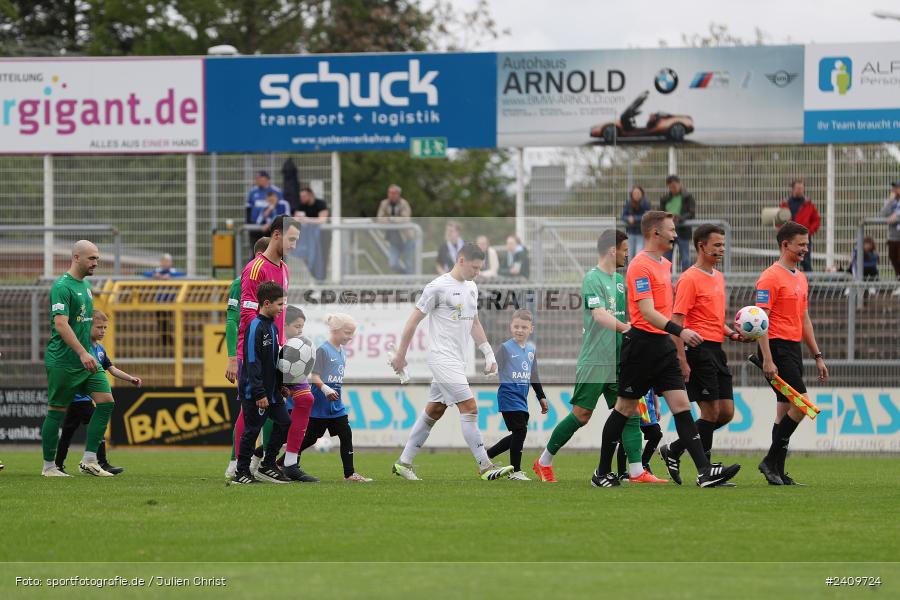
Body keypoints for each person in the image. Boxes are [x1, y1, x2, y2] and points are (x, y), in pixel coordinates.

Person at [589, 211, 740, 488]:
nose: (675, 234)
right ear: (655, 233)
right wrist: (680, 331)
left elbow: (664, 310)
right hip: (642, 346)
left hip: (663, 347)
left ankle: (704, 472)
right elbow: (646, 312)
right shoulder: (639, 266)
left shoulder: (664, 264)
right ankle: (601, 473)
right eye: (671, 230)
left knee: (683, 408)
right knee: (624, 408)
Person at [534, 230, 664, 484]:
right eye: (625, 250)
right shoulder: (592, 279)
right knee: (581, 415)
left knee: (629, 411)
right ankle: (543, 461)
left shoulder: (619, 281)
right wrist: (626, 328)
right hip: (595, 359)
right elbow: (600, 315)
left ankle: (636, 471)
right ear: (612, 250)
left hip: (618, 360)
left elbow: (626, 316)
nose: (628, 254)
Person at [389, 243, 513, 481]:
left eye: (480, 268)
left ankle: (403, 463)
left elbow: (474, 322)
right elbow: (413, 321)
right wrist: (401, 355)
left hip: (457, 361)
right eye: (474, 268)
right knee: (470, 408)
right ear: (461, 260)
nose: (477, 273)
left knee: (434, 410)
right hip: (441, 359)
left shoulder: (472, 287)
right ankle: (485, 466)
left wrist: (487, 353)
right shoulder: (437, 287)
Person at [658, 224, 751, 484]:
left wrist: (730, 333)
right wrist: (681, 358)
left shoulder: (718, 277)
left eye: (723, 245)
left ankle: (674, 449)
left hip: (716, 349)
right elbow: (678, 319)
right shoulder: (689, 278)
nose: (722, 249)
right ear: (701, 246)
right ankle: (706, 472)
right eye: (717, 245)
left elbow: (712, 319)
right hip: (697, 350)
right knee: (710, 413)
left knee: (727, 412)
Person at [755, 221, 829, 486]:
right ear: (785, 245)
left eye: (807, 245)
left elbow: (804, 319)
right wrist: (767, 358)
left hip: (793, 349)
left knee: (783, 412)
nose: (805, 249)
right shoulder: (770, 277)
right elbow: (761, 320)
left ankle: (777, 471)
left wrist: (817, 355)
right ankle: (769, 461)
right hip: (775, 347)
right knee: (802, 405)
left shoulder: (800, 277)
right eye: (801, 245)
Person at [40, 240, 118, 477]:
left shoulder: (85, 287)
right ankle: (49, 467)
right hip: (64, 360)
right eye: (92, 258)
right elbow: (61, 325)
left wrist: (89, 352)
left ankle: (90, 460)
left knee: (106, 402)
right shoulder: (62, 287)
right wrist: (83, 352)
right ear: (76, 257)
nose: (96, 262)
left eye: (97, 258)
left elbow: (85, 325)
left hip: (86, 361)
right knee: (56, 411)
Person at [230, 216, 299, 474]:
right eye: (291, 239)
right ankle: (237, 467)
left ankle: (265, 464)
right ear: (277, 235)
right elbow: (248, 315)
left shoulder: (284, 269)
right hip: (254, 352)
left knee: (276, 414)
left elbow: (278, 313)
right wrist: (261, 343)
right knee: (251, 414)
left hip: (274, 350)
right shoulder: (256, 268)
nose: (294, 245)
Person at [55, 310, 141, 475]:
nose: (102, 331)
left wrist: (130, 378)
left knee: (68, 432)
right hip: (77, 398)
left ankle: (58, 464)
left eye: (105, 328)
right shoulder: (81, 347)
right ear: (87, 326)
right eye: (99, 327)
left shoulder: (100, 350)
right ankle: (99, 462)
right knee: (97, 425)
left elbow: (112, 369)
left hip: (84, 399)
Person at [298, 313, 372, 482]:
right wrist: (325, 389)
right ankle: (284, 462)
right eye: (347, 333)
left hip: (336, 406)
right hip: (321, 405)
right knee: (311, 437)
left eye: (352, 333)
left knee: (346, 434)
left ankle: (350, 474)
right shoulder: (323, 350)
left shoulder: (341, 351)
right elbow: (314, 376)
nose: (350, 337)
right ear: (335, 330)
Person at [232, 281, 291, 484]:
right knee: (252, 431)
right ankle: (241, 472)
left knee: (285, 422)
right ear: (266, 303)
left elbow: (273, 361)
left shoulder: (273, 327)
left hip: (272, 392)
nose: (282, 308)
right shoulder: (255, 326)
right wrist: (259, 393)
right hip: (255, 393)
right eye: (280, 304)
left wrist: (281, 385)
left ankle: (267, 464)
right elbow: (251, 362)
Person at [223, 236, 270, 480]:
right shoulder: (241, 282)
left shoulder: (274, 282)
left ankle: (265, 462)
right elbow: (232, 320)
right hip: (248, 353)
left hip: (269, 352)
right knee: (249, 408)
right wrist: (233, 357)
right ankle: (235, 462)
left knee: (274, 407)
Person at [485, 309, 548, 480]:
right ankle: (516, 472)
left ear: (531, 329)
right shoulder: (505, 348)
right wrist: (490, 368)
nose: (520, 330)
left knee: (518, 434)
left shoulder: (530, 350)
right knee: (520, 431)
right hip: (508, 396)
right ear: (510, 327)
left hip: (522, 399)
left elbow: (533, 375)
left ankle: (487, 456)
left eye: (524, 327)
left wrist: (541, 396)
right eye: (516, 327)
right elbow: (494, 365)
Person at [276, 306, 319, 483]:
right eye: (297, 326)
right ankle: (241, 462)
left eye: (302, 327)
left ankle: (291, 463)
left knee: (306, 399)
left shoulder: (299, 346)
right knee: (262, 417)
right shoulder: (274, 339)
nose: (300, 330)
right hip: (273, 375)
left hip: (292, 375)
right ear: (284, 325)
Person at [615, 389, 664, 479]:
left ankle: (644, 464)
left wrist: (657, 407)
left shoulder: (651, 375)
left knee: (656, 433)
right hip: (630, 407)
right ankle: (621, 472)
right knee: (625, 439)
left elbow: (654, 390)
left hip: (647, 410)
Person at [780, 179, 821, 272]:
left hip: (804, 238)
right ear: (793, 189)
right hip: (789, 238)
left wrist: (809, 231)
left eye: (802, 188)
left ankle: (808, 284)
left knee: (806, 262)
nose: (800, 190)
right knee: (788, 262)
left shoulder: (808, 204)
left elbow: (816, 220)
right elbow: (779, 220)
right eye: (798, 188)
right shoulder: (785, 204)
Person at [659, 175, 696, 274]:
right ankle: (666, 279)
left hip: (683, 232)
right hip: (668, 232)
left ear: (679, 184)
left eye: (675, 186)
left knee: (685, 259)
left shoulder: (687, 197)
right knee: (666, 258)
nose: (673, 189)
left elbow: (691, 213)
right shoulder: (665, 198)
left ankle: (686, 280)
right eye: (671, 187)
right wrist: (668, 217)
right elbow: (661, 212)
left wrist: (680, 218)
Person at [376, 184, 415, 274]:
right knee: (392, 263)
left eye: (394, 193)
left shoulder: (404, 204)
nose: (391, 195)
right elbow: (380, 219)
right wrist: (395, 220)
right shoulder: (384, 203)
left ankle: (410, 286)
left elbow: (405, 219)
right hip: (393, 240)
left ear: (398, 194)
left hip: (407, 238)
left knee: (409, 264)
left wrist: (390, 219)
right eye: (389, 193)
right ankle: (405, 275)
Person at [294, 187, 329, 281]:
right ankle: (315, 279)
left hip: (322, 236)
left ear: (311, 195)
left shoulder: (320, 204)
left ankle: (321, 280)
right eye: (301, 196)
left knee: (321, 258)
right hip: (307, 237)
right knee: (306, 256)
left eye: (304, 196)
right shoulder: (301, 205)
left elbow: (323, 220)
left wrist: (307, 220)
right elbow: (296, 219)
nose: (302, 198)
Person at [622, 186, 651, 258]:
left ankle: (638, 269)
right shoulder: (628, 203)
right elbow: (623, 216)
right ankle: (631, 269)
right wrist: (628, 218)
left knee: (639, 254)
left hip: (641, 233)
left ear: (642, 194)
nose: (636, 195)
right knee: (630, 255)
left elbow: (647, 216)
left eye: (638, 193)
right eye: (635, 193)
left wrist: (634, 219)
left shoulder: (646, 204)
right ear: (632, 194)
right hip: (630, 233)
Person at [881, 180, 900, 289]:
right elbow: (883, 214)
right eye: (894, 188)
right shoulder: (891, 202)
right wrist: (890, 201)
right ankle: (898, 283)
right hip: (893, 237)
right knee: (894, 259)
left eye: (897, 188)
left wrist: (897, 217)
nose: (894, 190)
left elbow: (894, 217)